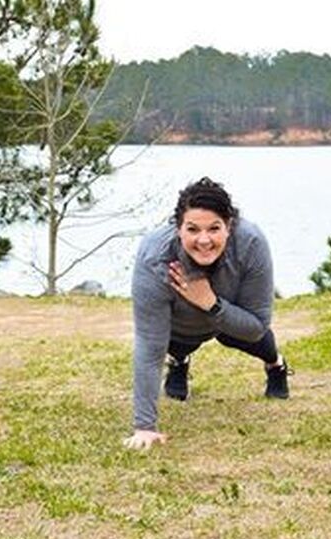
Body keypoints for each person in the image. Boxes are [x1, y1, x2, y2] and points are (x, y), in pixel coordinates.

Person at [123, 177, 291, 450]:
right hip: (181, 325)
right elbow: (148, 345)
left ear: (229, 226)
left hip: (232, 319)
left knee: (258, 341)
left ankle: (276, 365)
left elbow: (256, 325)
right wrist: (145, 427)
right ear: (178, 228)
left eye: (214, 228)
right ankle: (179, 362)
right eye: (192, 229)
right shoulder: (155, 255)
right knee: (170, 342)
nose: (204, 240)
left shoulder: (251, 243)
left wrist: (210, 302)